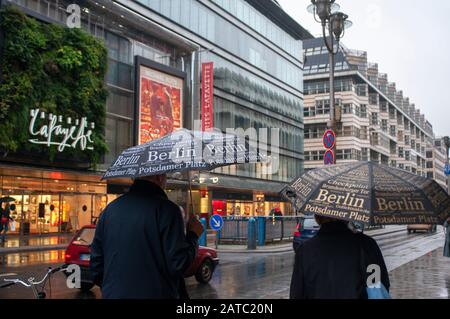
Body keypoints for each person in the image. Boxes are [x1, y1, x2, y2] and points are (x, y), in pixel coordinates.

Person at [89, 174, 204, 299]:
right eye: (165, 176)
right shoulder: (168, 210)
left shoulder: (109, 211)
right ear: (159, 178)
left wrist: (113, 289)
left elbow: (96, 267)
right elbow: (179, 264)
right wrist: (193, 235)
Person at [290, 215, 390, 299]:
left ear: (317, 217)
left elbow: (296, 293)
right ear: (348, 216)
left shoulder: (305, 250)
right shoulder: (367, 245)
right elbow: (380, 285)